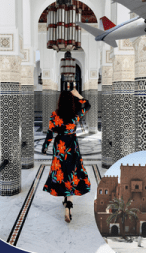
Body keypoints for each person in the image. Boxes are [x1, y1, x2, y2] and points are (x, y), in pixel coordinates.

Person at [41, 89, 92, 223]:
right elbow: (88, 105)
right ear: (71, 101)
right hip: (72, 146)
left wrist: (45, 146)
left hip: (59, 147)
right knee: (71, 173)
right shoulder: (75, 114)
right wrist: (78, 95)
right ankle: (68, 205)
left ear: (60, 101)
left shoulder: (54, 115)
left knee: (62, 172)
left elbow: (50, 133)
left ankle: (66, 200)